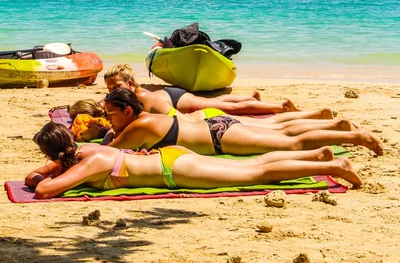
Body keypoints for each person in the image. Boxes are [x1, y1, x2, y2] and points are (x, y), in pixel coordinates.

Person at [25, 122, 362, 199]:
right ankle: (317, 156)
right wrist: (45, 170)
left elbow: (42, 190)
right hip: (174, 158)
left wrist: (45, 174)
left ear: (53, 154)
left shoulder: (86, 165)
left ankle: (331, 167)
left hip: (176, 171)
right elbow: (33, 178)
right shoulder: (86, 151)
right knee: (253, 165)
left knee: (258, 172)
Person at [101, 89, 383, 157]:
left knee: (290, 143)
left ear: (127, 111)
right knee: (281, 131)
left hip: (218, 137)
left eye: (111, 114)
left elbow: (110, 151)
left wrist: (106, 135)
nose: (109, 119)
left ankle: (356, 138)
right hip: (217, 127)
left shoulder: (137, 128)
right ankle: (336, 126)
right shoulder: (146, 118)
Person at [103, 63, 336, 127]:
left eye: (116, 86)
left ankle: (280, 109)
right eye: (110, 89)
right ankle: (253, 101)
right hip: (174, 99)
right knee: (219, 102)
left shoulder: (140, 98)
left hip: (176, 100)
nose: (113, 92)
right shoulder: (131, 97)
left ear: (131, 83)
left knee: (228, 109)